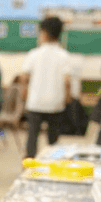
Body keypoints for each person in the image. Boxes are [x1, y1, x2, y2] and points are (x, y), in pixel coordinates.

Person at [21, 16, 71, 158]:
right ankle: (52, 162)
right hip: (55, 103)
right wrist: (67, 97)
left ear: (43, 33)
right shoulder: (64, 56)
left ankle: (29, 163)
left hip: (36, 102)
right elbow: (67, 81)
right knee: (53, 138)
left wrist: (24, 92)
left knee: (32, 136)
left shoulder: (34, 54)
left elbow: (24, 77)